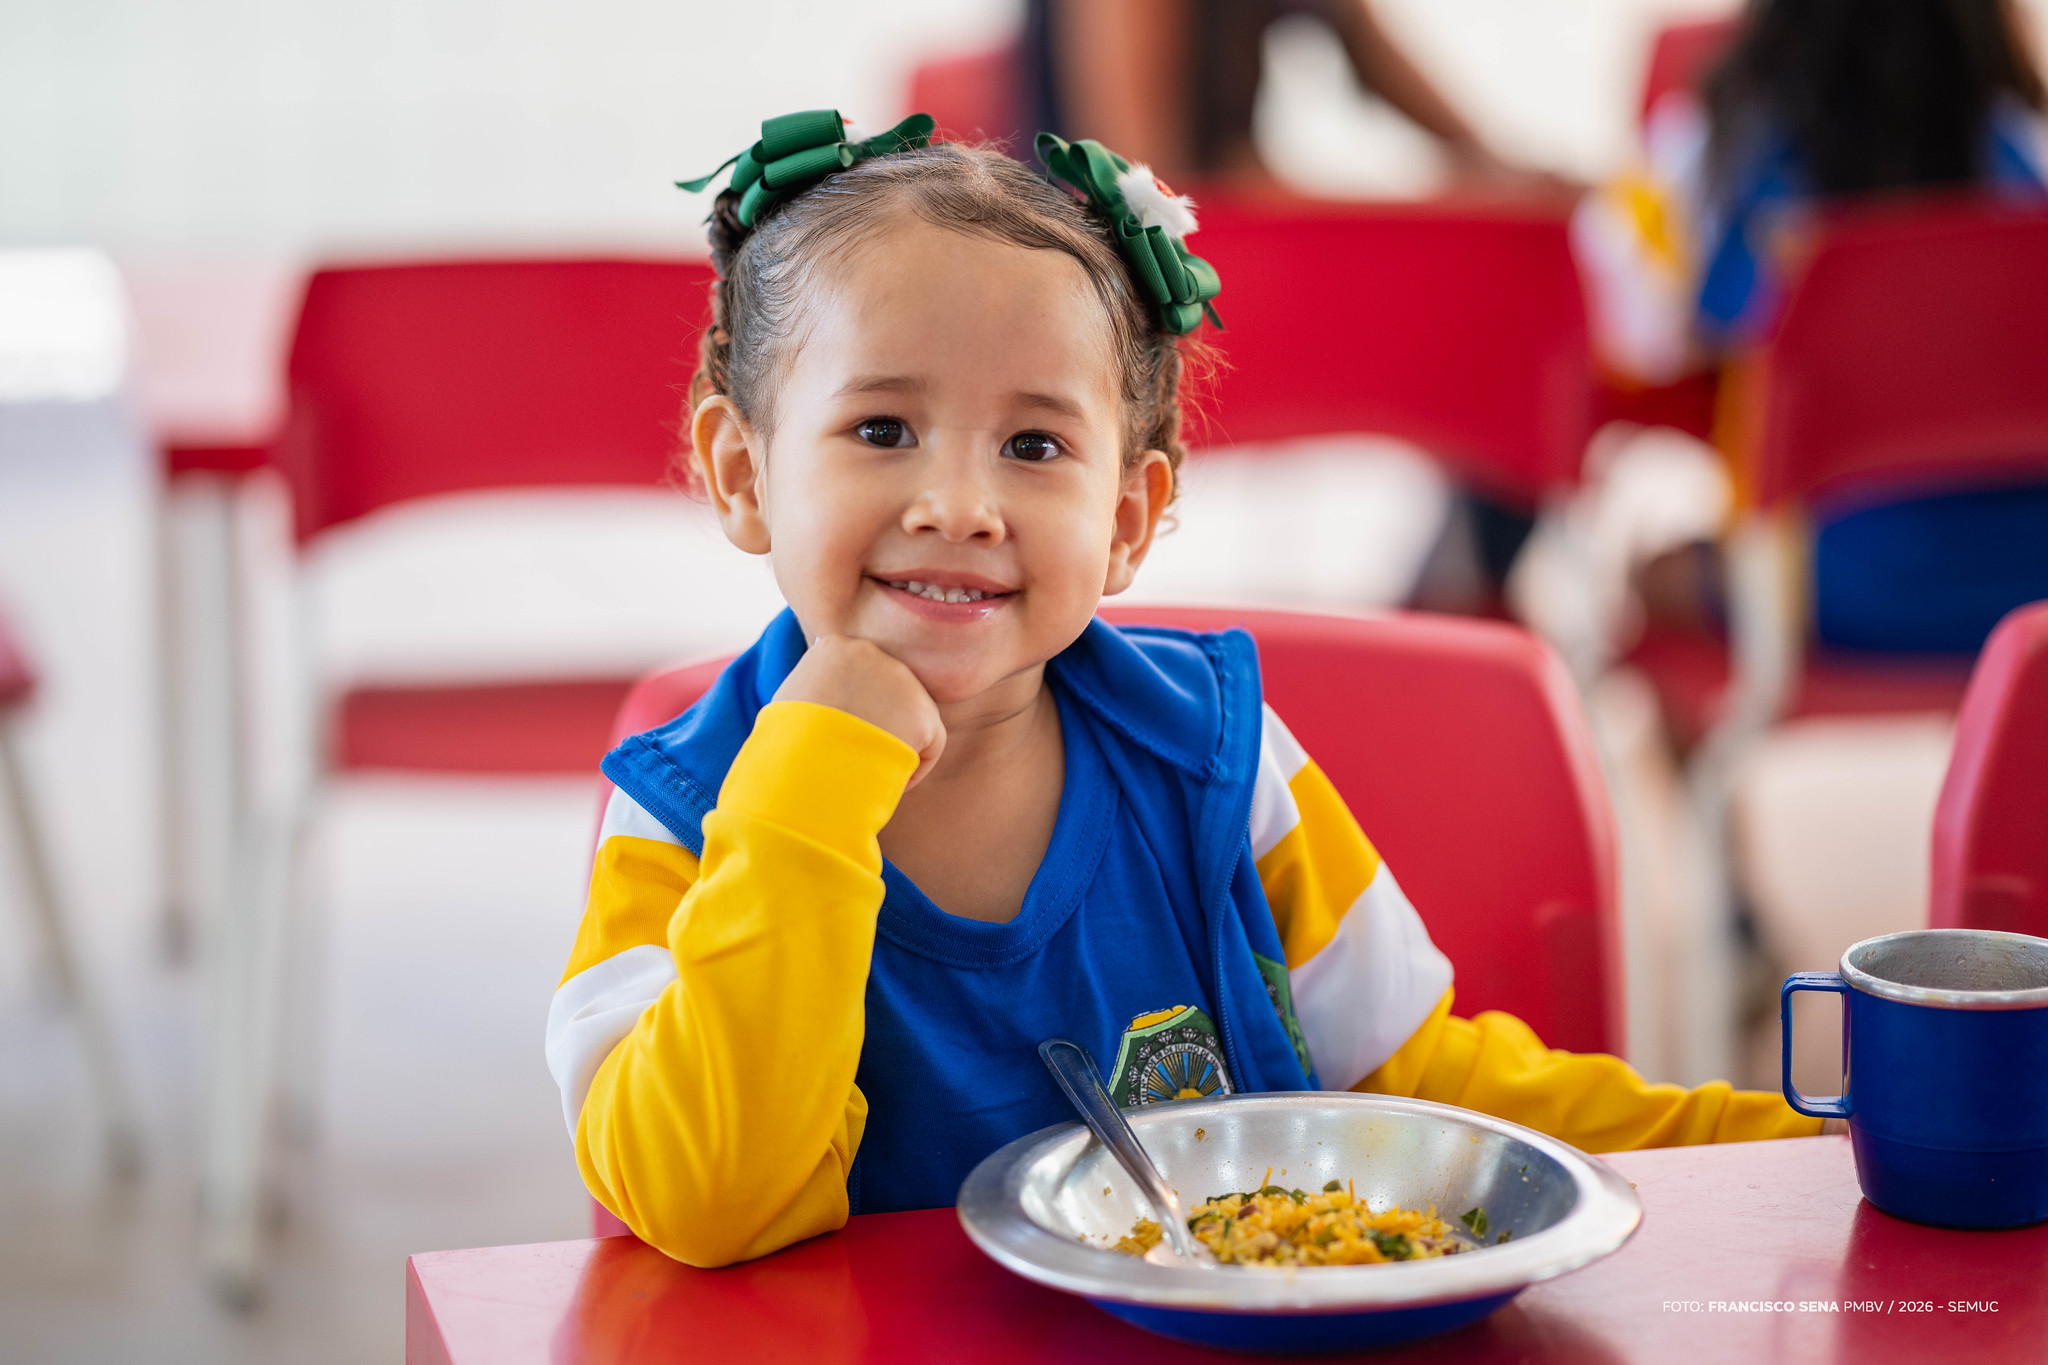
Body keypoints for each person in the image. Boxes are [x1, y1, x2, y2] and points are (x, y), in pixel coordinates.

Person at [546, 110, 1823, 1270]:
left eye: (1033, 445)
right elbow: (712, 1198)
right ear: (741, 473)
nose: (958, 507)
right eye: (881, 430)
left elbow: (1422, 1094)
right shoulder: (680, 815)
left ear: (1125, 517)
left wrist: (1782, 1143)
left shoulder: (1217, 760)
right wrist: (810, 778)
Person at [1574, 0, 2048, 653]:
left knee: (1651, 574)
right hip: (2031, 585)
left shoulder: (1746, 161)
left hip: (1848, 586)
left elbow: (1640, 327)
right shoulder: (2024, 153)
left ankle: (1720, 724)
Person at [1021, 0, 1543, 194]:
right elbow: (1138, 182)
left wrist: (1485, 161)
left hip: (1211, 210)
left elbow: (1362, 34)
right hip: (1094, 251)